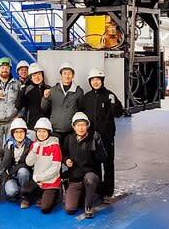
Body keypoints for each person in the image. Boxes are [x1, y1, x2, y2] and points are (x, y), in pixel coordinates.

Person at [79, 68, 124, 201]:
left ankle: (107, 192)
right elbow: (81, 115)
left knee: (108, 165)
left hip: (107, 137)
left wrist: (114, 103)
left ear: (102, 81)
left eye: (98, 80)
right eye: (93, 80)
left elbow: (119, 113)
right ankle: (97, 190)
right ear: (90, 81)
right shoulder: (86, 98)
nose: (95, 82)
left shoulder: (109, 95)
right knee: (95, 164)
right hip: (91, 137)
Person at [62, 112, 107, 219]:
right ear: (73, 127)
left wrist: (99, 144)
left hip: (90, 175)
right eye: (78, 125)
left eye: (83, 125)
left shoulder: (93, 138)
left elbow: (103, 158)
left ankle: (88, 207)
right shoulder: (69, 139)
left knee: (90, 179)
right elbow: (64, 154)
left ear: (87, 126)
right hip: (75, 178)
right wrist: (66, 160)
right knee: (70, 209)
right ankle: (83, 194)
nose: (81, 128)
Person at [21, 117, 61, 213]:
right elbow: (28, 163)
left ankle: (55, 195)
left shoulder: (55, 146)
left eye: (44, 131)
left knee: (45, 209)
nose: (41, 134)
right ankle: (41, 195)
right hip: (38, 181)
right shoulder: (35, 144)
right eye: (39, 131)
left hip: (51, 182)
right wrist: (34, 150)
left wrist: (39, 177)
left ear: (49, 132)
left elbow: (55, 169)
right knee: (24, 190)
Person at [41, 62, 83, 144]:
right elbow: (44, 109)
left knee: (68, 154)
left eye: (69, 74)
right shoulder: (53, 90)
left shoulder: (78, 91)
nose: (67, 76)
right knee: (56, 154)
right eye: (65, 73)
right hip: (54, 130)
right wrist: (45, 98)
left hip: (71, 131)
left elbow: (81, 110)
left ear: (73, 75)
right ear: (61, 75)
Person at [0, 118, 32, 203]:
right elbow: (4, 165)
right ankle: (17, 191)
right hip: (10, 175)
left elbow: (28, 164)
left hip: (22, 173)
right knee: (11, 191)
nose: (19, 135)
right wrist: (8, 151)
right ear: (12, 134)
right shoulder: (9, 144)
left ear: (25, 132)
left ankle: (25, 194)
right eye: (16, 132)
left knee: (23, 172)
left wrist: (12, 170)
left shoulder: (30, 144)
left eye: (21, 132)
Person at [14, 63, 50, 140]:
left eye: (39, 74)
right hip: (31, 126)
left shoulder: (48, 88)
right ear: (30, 78)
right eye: (34, 75)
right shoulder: (27, 89)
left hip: (45, 126)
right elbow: (18, 106)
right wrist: (21, 92)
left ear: (42, 75)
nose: (37, 77)